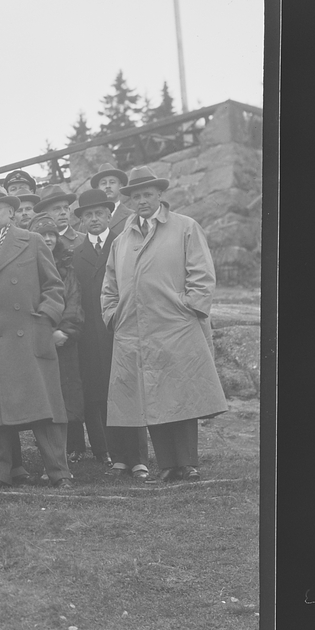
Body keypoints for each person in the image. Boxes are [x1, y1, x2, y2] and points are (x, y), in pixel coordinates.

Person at [101, 167, 227, 483]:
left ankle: (188, 463)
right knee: (150, 396)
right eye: (135, 196)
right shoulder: (121, 240)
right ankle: (168, 465)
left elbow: (202, 274)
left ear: (159, 195)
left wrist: (190, 308)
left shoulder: (185, 227)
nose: (141, 201)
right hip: (134, 331)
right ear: (128, 201)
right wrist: (113, 315)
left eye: (147, 194)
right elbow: (109, 285)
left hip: (176, 325)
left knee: (180, 393)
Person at [0, 186, 74, 490]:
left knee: (45, 412)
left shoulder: (32, 242)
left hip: (30, 337)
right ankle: (0, 473)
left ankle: (59, 472)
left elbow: (54, 287)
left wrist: (46, 317)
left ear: (11, 211)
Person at [71, 188, 146, 474]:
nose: (94, 219)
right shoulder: (76, 255)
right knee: (100, 393)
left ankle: (138, 457)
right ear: (81, 220)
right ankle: (115, 456)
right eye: (88, 215)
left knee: (127, 391)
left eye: (99, 213)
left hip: (120, 330)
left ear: (108, 215)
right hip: (90, 336)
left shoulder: (124, 244)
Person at [27, 214, 86, 465]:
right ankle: (50, 453)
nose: (48, 239)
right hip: (37, 342)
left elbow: (73, 300)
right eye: (42, 235)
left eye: (52, 234)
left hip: (63, 340)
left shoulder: (67, 265)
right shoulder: (26, 264)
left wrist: (65, 331)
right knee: (44, 396)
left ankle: (75, 447)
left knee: (68, 392)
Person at [89, 163, 134, 238]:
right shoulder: (88, 219)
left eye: (112, 182)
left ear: (120, 185)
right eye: (103, 183)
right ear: (98, 188)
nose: (108, 186)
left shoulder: (132, 217)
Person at [33, 185, 80, 250]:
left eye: (66, 208)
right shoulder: (36, 242)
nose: (63, 212)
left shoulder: (83, 240)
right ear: (44, 213)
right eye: (57, 209)